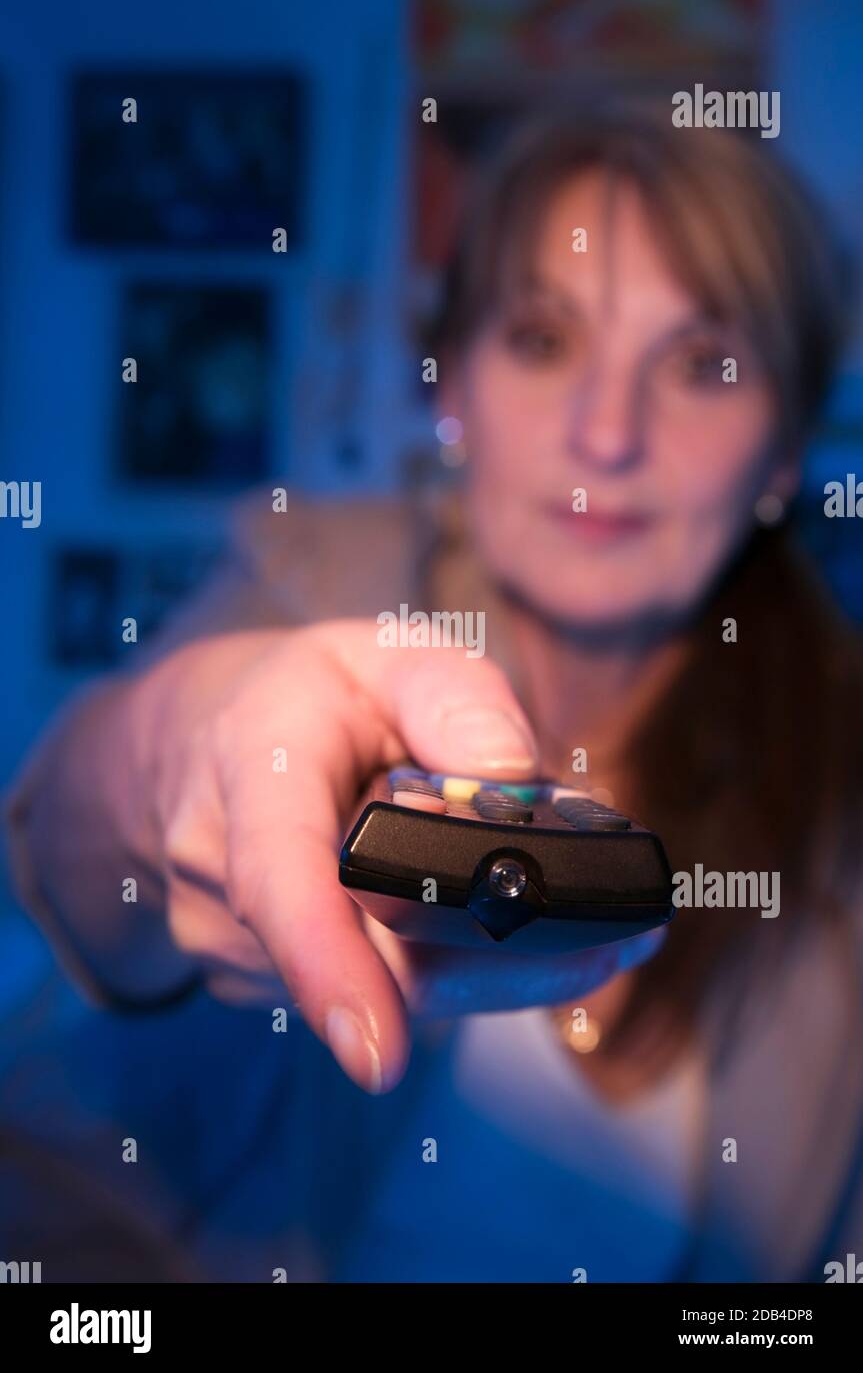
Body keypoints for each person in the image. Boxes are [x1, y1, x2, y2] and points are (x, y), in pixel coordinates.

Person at [4, 103, 863, 1283]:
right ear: (451, 383)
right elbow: (74, 842)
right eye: (544, 340)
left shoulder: (836, 755)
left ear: (778, 453)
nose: (605, 435)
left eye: (700, 365)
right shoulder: (314, 581)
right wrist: (170, 756)